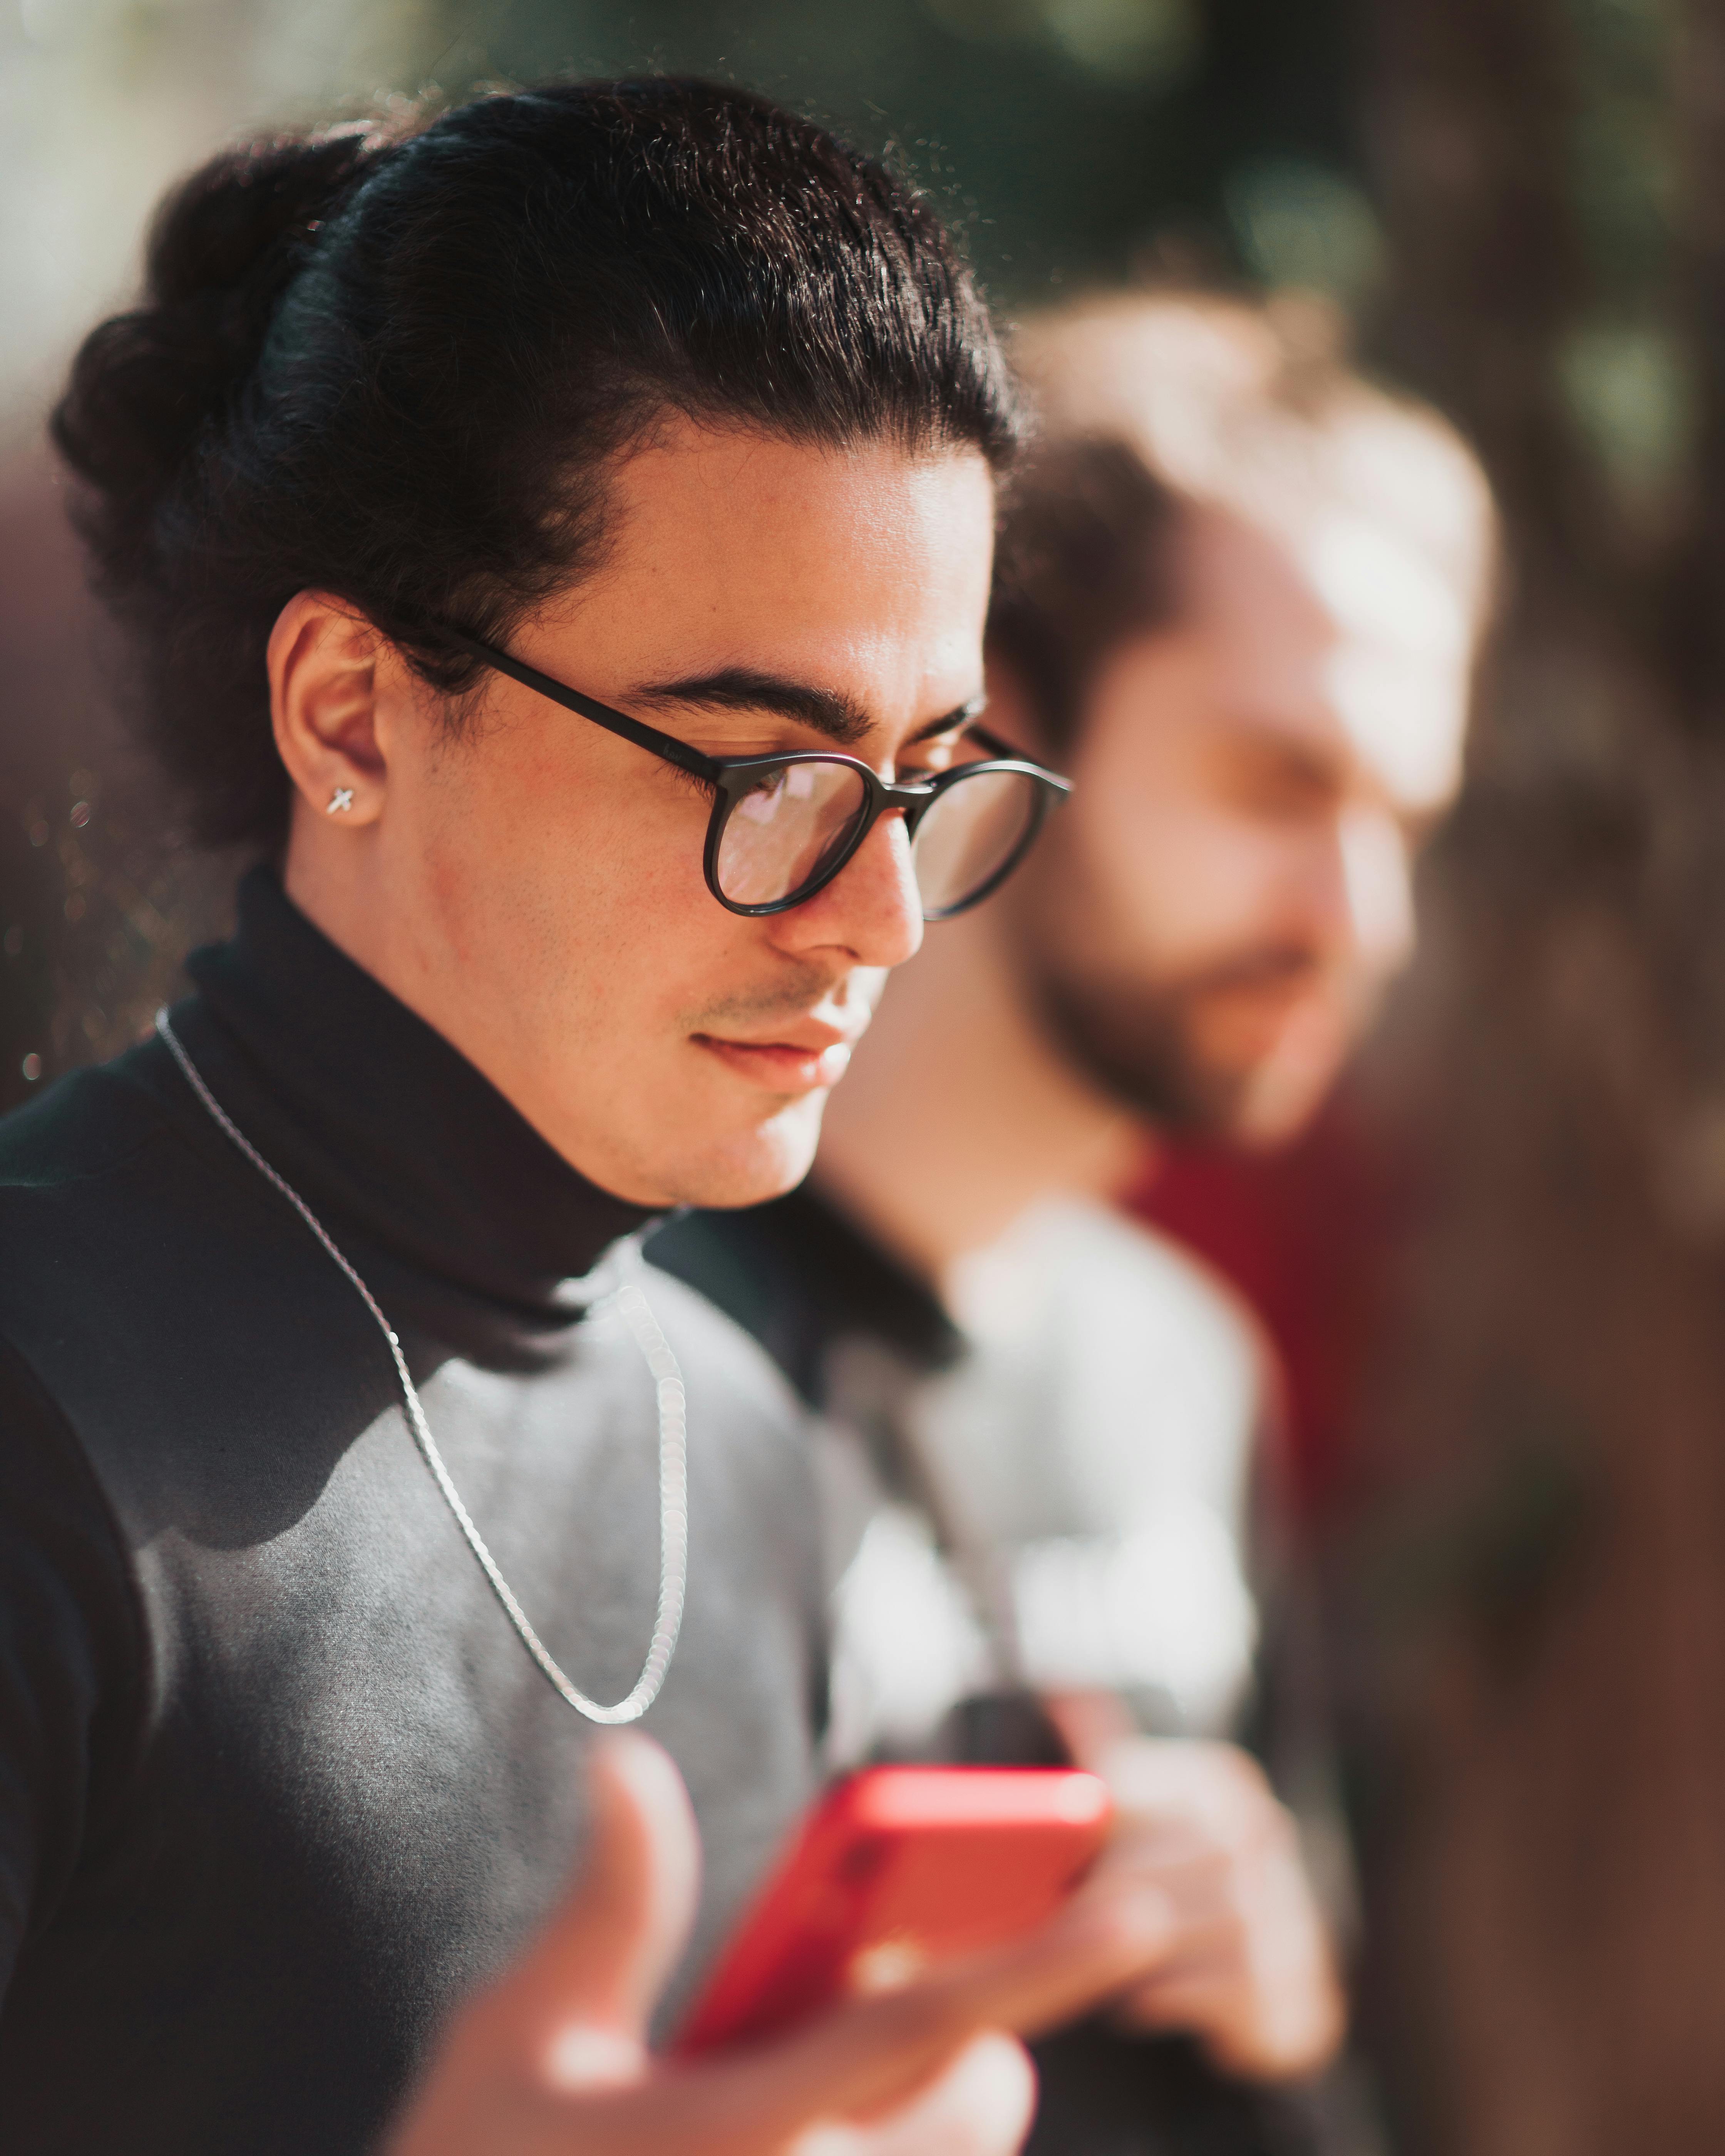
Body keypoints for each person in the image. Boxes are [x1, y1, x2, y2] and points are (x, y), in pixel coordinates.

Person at [0, 83, 1191, 2156]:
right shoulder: (39, 1409)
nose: (884, 915)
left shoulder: (749, 1426)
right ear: (352, 711)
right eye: (766, 770)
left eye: (925, 774)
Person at [650, 289, 1496, 2152]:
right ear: (990, 736)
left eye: (1401, 819)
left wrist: (1283, 2010)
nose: (1365, 917)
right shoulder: (598, 1341)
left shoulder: (1185, 1370)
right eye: (1284, 782)